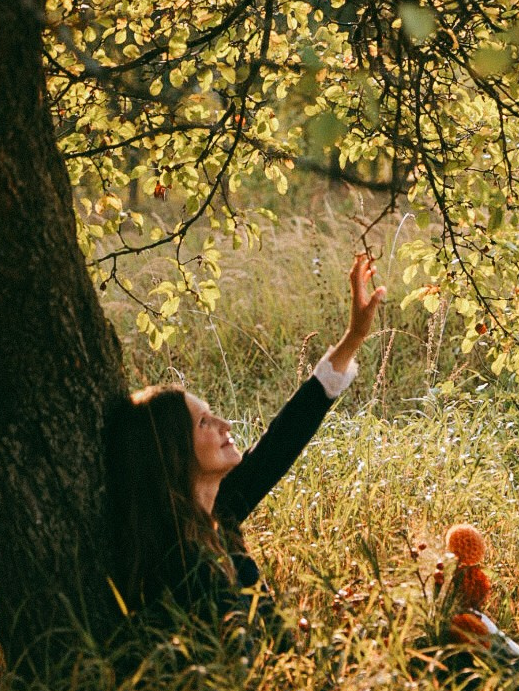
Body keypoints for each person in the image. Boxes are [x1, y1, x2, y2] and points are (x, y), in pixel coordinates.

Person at [105, 253, 386, 650]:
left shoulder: (217, 514)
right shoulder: (183, 564)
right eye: (204, 422)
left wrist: (354, 337)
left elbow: (283, 438)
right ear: (172, 451)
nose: (225, 425)